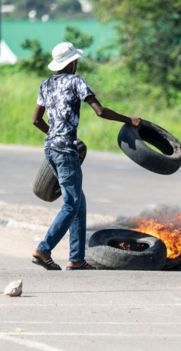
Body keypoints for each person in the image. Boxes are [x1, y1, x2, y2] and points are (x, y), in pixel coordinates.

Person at [31, 42, 141, 270]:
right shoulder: (76, 81)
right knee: (71, 204)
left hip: (50, 149)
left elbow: (36, 120)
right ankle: (44, 249)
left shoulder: (46, 84)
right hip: (65, 150)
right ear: (72, 62)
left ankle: (76, 258)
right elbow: (100, 111)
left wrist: (53, 134)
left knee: (78, 203)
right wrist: (129, 120)